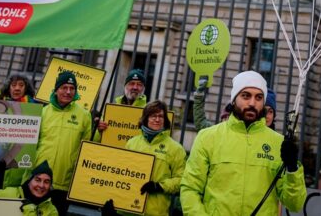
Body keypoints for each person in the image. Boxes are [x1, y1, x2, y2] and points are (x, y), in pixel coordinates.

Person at [181, 71, 305, 216]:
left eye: (259, 97)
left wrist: (292, 169)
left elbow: (294, 204)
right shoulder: (208, 137)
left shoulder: (279, 143)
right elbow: (190, 188)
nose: (252, 103)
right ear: (234, 99)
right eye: (246, 96)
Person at [33, 71, 92, 216]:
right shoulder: (42, 112)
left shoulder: (84, 115)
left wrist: (100, 131)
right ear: (56, 90)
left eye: (72, 88)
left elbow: (88, 146)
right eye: (64, 87)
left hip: (64, 183)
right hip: (39, 180)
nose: (68, 92)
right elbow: (32, 145)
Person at [124, 101, 186, 216]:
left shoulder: (176, 149)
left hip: (155, 212)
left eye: (161, 116)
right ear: (146, 118)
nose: (157, 119)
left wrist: (159, 186)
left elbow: (181, 179)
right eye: (153, 116)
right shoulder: (131, 143)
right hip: (127, 210)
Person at [96, 68, 148, 135]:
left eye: (139, 84)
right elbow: (96, 138)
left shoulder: (148, 112)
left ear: (144, 89)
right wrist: (99, 130)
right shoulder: (112, 109)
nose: (135, 87)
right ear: (125, 86)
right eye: (131, 84)